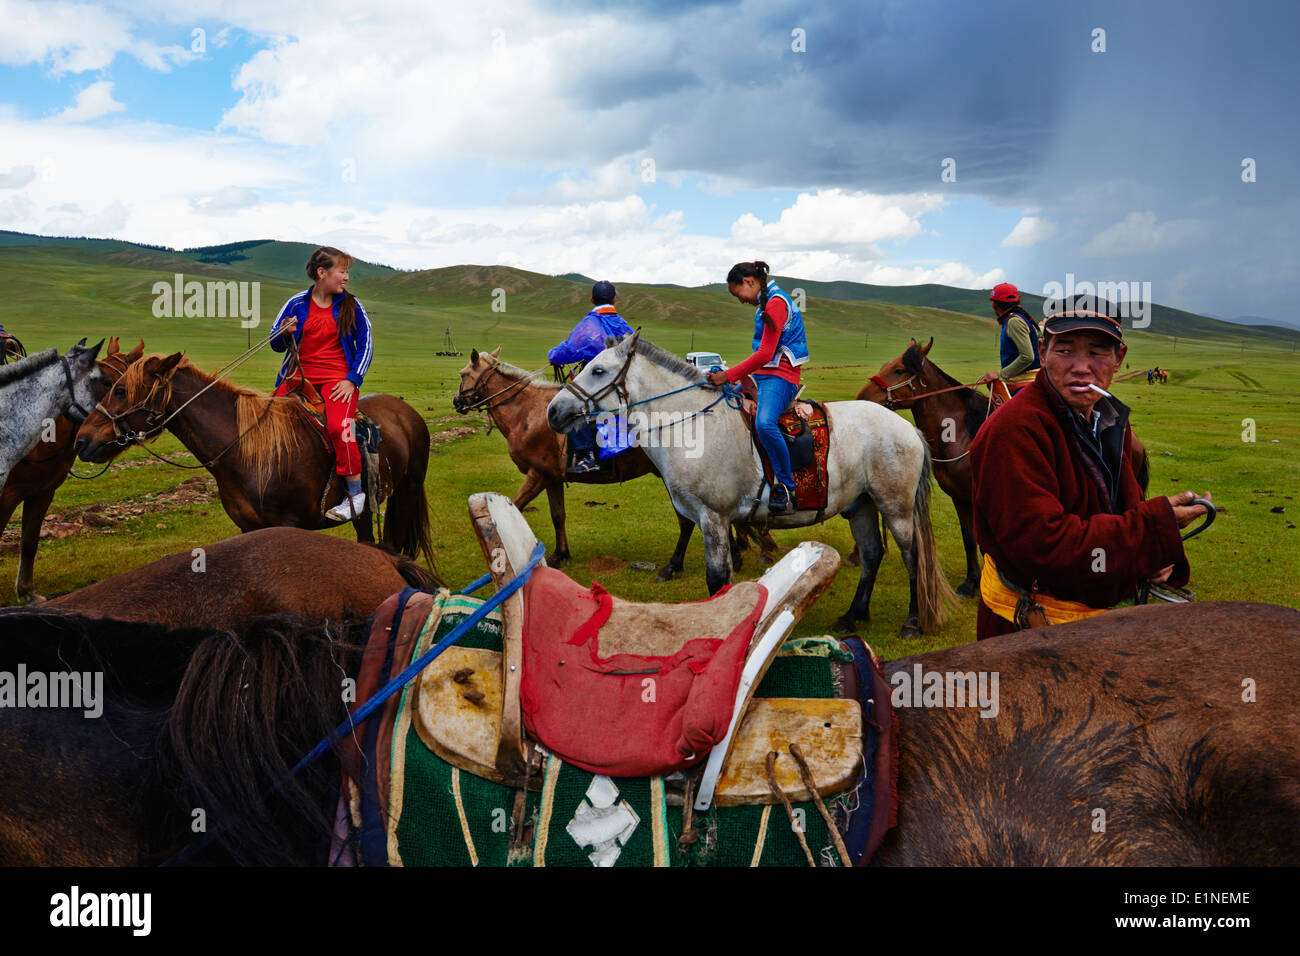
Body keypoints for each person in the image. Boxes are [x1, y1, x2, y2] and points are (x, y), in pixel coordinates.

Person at [969, 294, 1211, 639]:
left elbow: (1119, 510)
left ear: (1119, 358)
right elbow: (1046, 546)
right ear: (1042, 353)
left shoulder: (1109, 418)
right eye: (1065, 350)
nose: (1081, 366)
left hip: (1092, 630)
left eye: (1097, 352)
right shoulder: (1013, 431)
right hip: (1026, 635)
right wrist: (1150, 531)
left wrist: (1146, 559)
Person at [269, 246, 373, 521]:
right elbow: (275, 343)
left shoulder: (352, 305)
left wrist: (353, 379)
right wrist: (283, 332)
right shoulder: (296, 303)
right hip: (298, 378)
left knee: (341, 427)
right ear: (322, 272)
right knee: (266, 418)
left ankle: (355, 495)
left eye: (346, 272)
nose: (346, 277)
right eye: (342, 271)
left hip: (338, 380)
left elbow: (366, 343)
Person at [707, 261, 808, 516]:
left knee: (764, 424)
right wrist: (730, 381)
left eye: (737, 293)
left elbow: (765, 354)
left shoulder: (776, 303)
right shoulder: (766, 303)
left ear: (750, 282)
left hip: (781, 377)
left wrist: (728, 375)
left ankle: (786, 488)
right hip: (761, 376)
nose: (739, 300)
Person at [547, 280, 634, 474]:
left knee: (573, 407)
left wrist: (553, 355)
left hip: (599, 384)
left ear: (592, 299)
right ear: (614, 300)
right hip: (624, 385)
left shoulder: (589, 325)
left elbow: (568, 350)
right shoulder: (622, 324)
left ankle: (586, 456)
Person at [977, 282, 1041, 402]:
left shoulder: (1014, 322)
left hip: (1024, 385)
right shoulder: (1020, 318)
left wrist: (1001, 375)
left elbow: (1028, 356)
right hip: (1024, 383)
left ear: (995, 306)